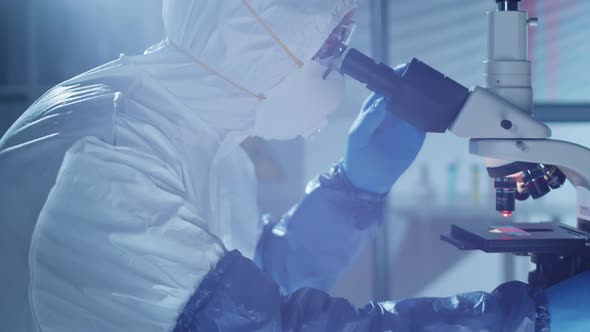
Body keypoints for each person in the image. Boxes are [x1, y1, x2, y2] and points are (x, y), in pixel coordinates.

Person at [0, 0, 587, 331]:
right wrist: (521, 317)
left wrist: (352, 190)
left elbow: (256, 284)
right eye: (332, 44)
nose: (343, 64)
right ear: (260, 33)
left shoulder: (202, 140)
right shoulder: (110, 157)